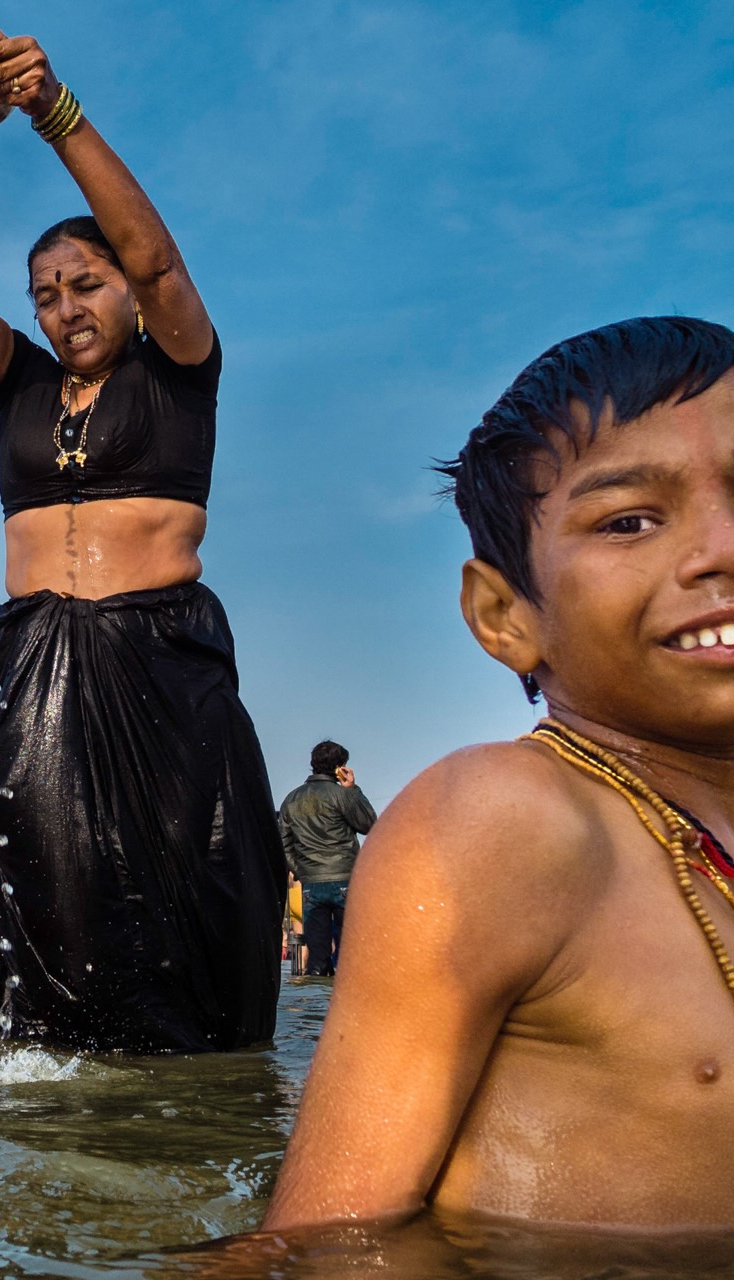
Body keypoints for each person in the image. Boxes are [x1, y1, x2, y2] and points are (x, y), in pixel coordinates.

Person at [263, 317, 734, 1231]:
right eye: (630, 520)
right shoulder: (506, 823)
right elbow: (326, 1244)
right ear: (505, 615)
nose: (719, 549)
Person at [0, 33, 285, 1052]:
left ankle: (187, 1092)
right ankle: (51, 1085)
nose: (66, 307)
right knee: (47, 891)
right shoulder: (20, 383)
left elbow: (156, 254)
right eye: (46, 295)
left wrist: (53, 111)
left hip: (161, 660)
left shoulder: (181, 365)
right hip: (37, 662)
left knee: (186, 889)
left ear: (131, 297)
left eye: (86, 283)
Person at [277, 741, 378, 977]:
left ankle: (314, 1010)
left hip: (311, 884)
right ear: (339, 767)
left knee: (317, 960)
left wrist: (301, 870)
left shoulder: (291, 800)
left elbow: (283, 844)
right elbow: (369, 824)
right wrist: (353, 789)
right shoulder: (342, 795)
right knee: (350, 957)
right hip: (345, 879)